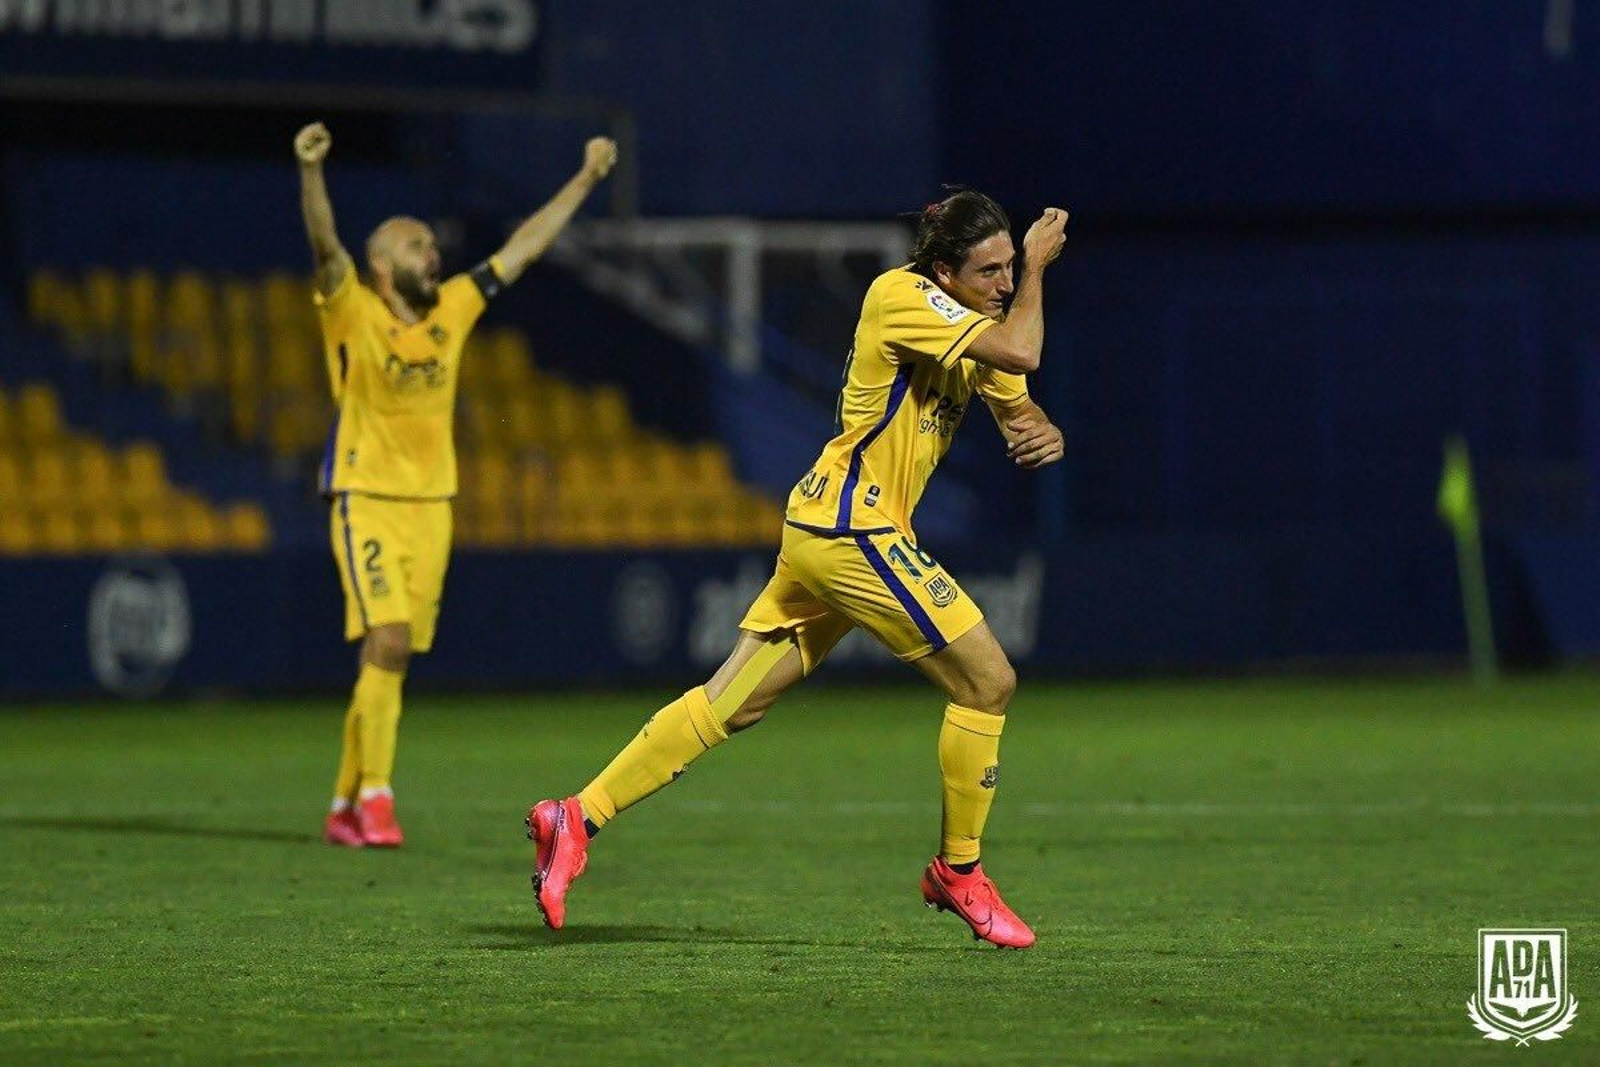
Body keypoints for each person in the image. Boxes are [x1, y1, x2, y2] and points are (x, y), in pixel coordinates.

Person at [527, 190, 1068, 947]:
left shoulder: (967, 326)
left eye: (1013, 267)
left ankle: (575, 818)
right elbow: (1023, 350)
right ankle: (960, 871)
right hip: (854, 526)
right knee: (989, 680)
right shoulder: (901, 295)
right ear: (943, 270)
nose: (1007, 283)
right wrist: (1043, 265)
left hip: (829, 528)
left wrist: (1042, 429)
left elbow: (1017, 401)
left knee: (731, 702)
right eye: (991, 270)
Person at [296, 120, 618, 847]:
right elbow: (324, 247)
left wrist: (586, 178)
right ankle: (376, 797)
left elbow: (524, 247)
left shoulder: (454, 308)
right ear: (381, 266)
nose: (431, 253)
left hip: (433, 500)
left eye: (431, 245)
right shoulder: (354, 310)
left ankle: (344, 806)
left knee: (393, 650)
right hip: (365, 492)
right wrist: (311, 172)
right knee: (390, 634)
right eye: (416, 246)